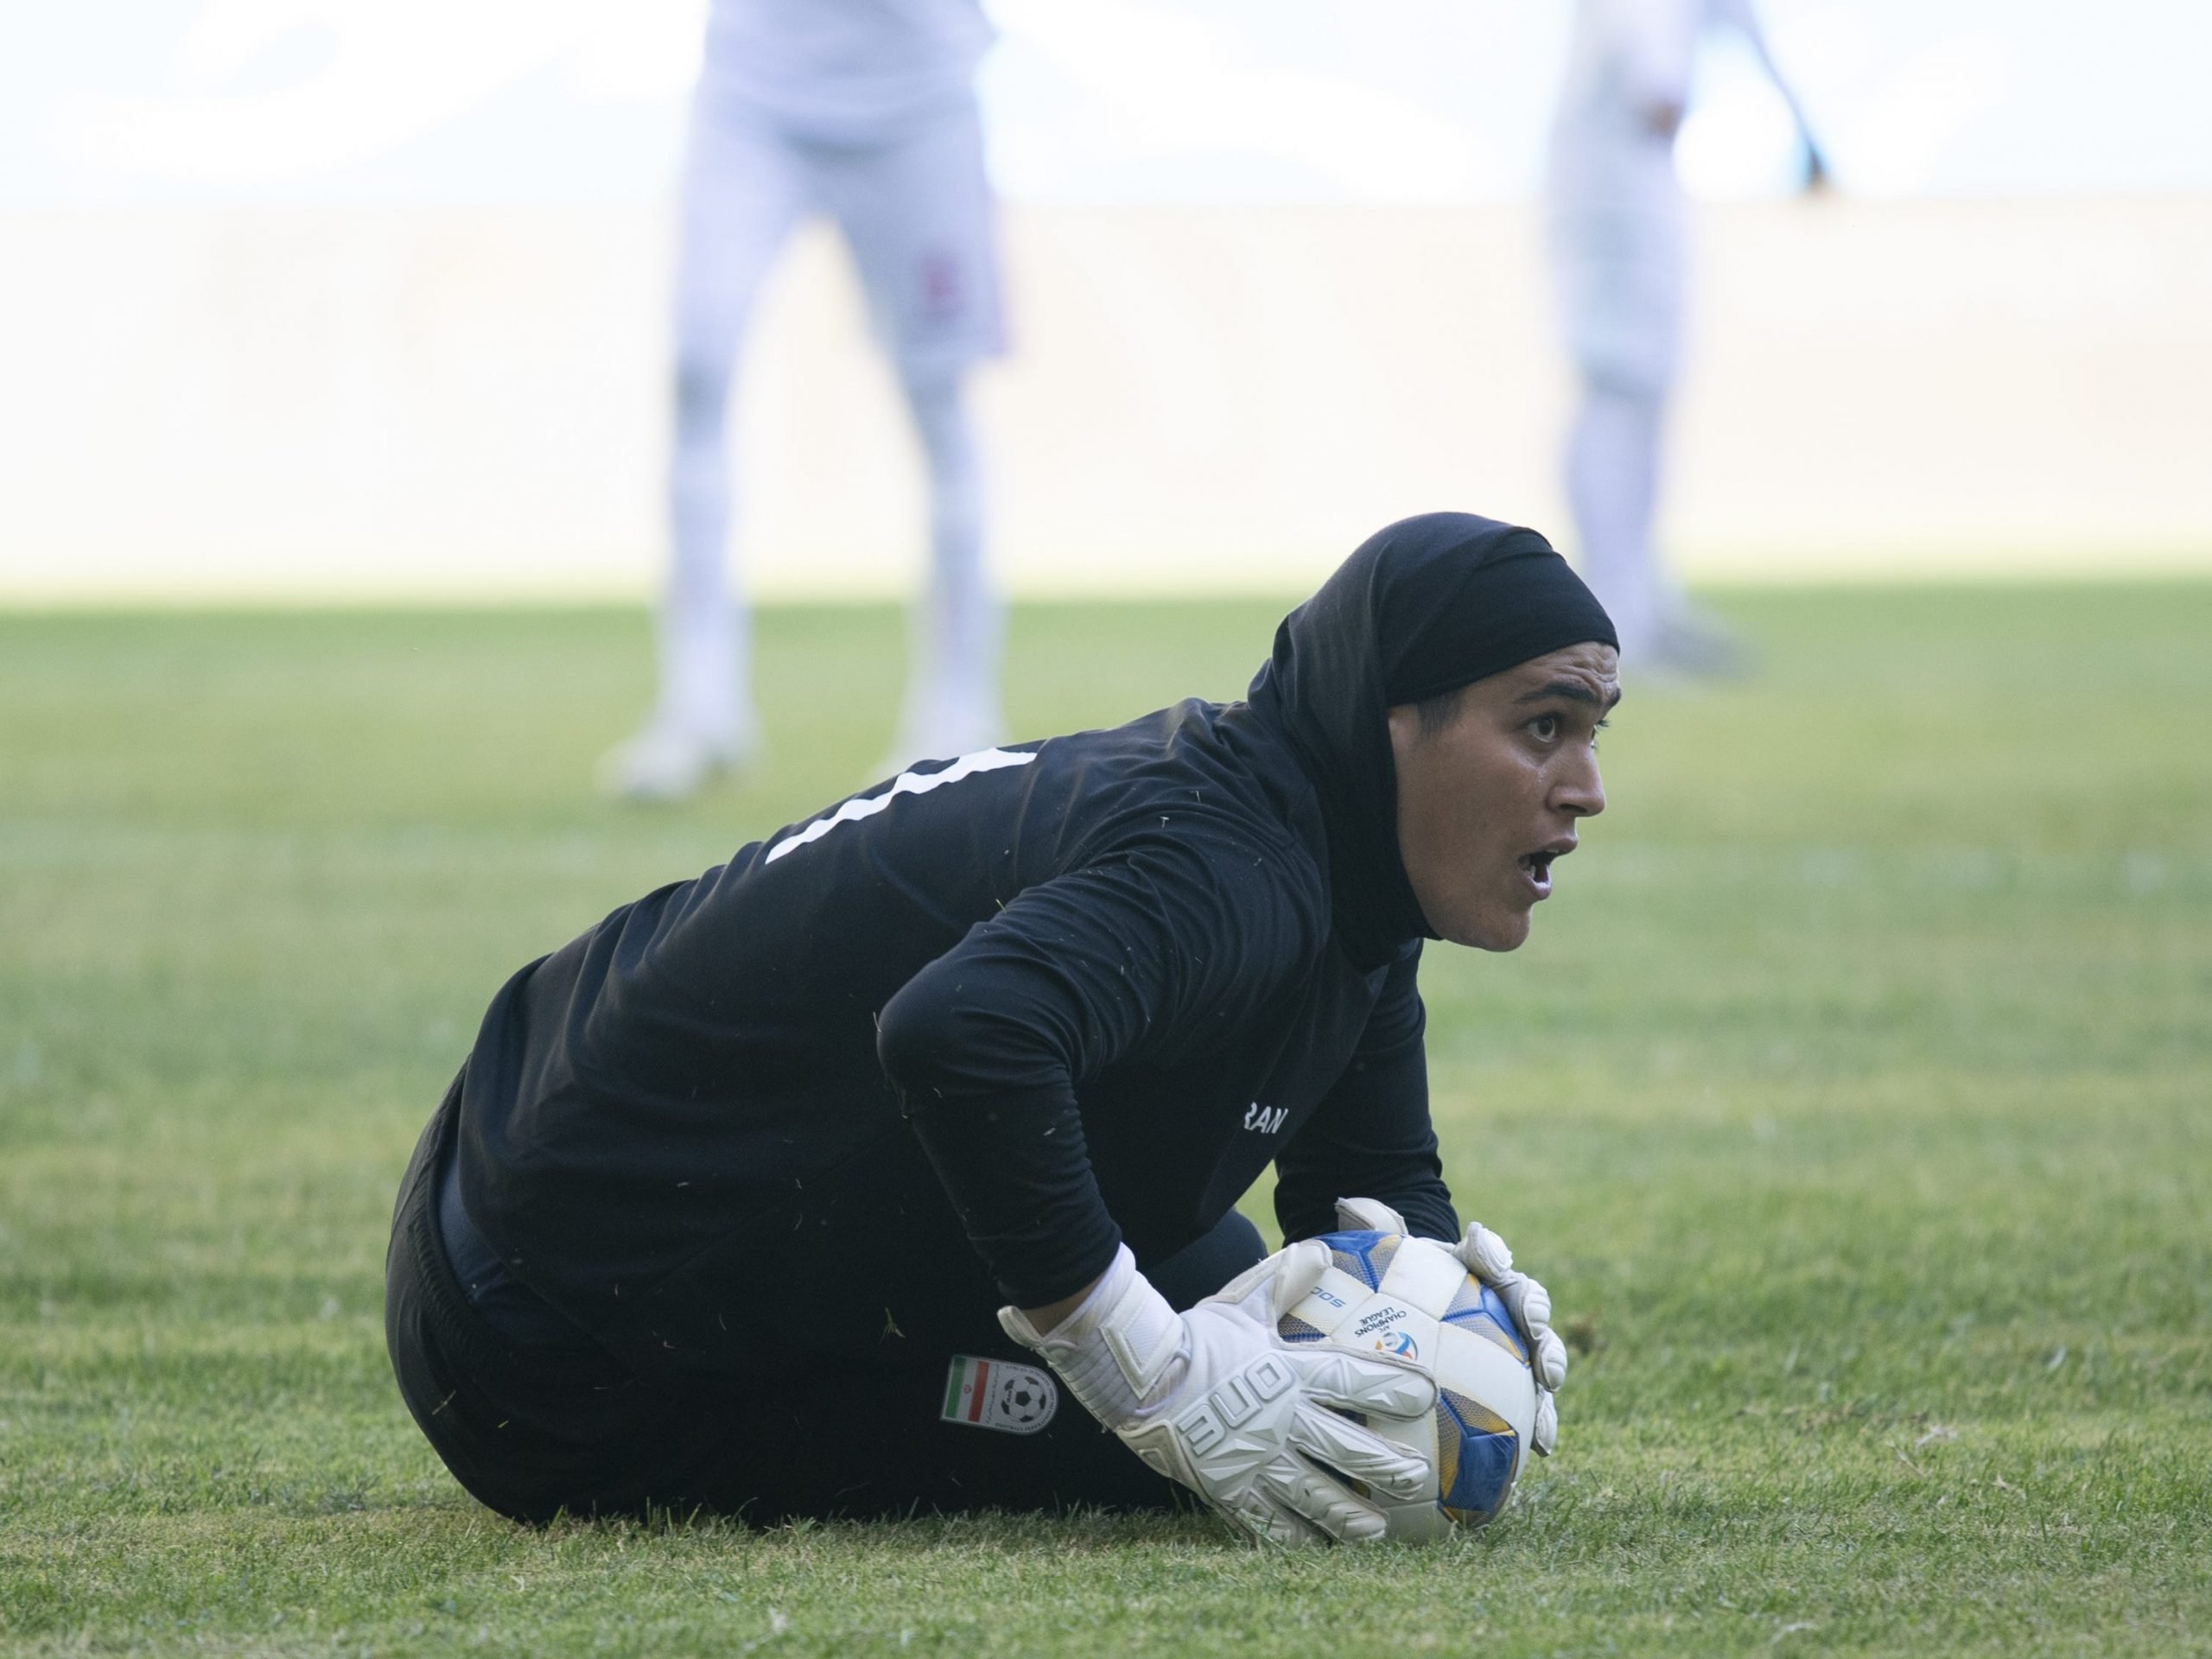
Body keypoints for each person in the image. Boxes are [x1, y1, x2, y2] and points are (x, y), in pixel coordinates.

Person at [388, 512, 1612, 1541]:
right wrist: (1156, 1374)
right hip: (540, 1322)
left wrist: (1440, 1318)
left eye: (1590, 734)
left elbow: (1368, 1196)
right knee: (1210, 1434)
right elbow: (962, 1030)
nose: (1585, 789)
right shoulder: (1231, 869)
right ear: (1394, 718)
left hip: (552, 1170)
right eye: (1541, 726)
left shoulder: (1337, 885)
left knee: (1263, 1335)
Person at [602, 0, 1007, 800]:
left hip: (919, 101)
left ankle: (958, 707)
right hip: (753, 93)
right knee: (700, 362)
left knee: (939, 399)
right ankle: (700, 705)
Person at [1547, 0, 1826, 674]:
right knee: (1617, 387)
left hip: (1646, 181)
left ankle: (1641, 602)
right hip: (1612, 182)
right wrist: (1661, 84)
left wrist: (1807, 136)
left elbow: (1741, 23)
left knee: (1646, 394)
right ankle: (1611, 615)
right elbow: (1654, 72)